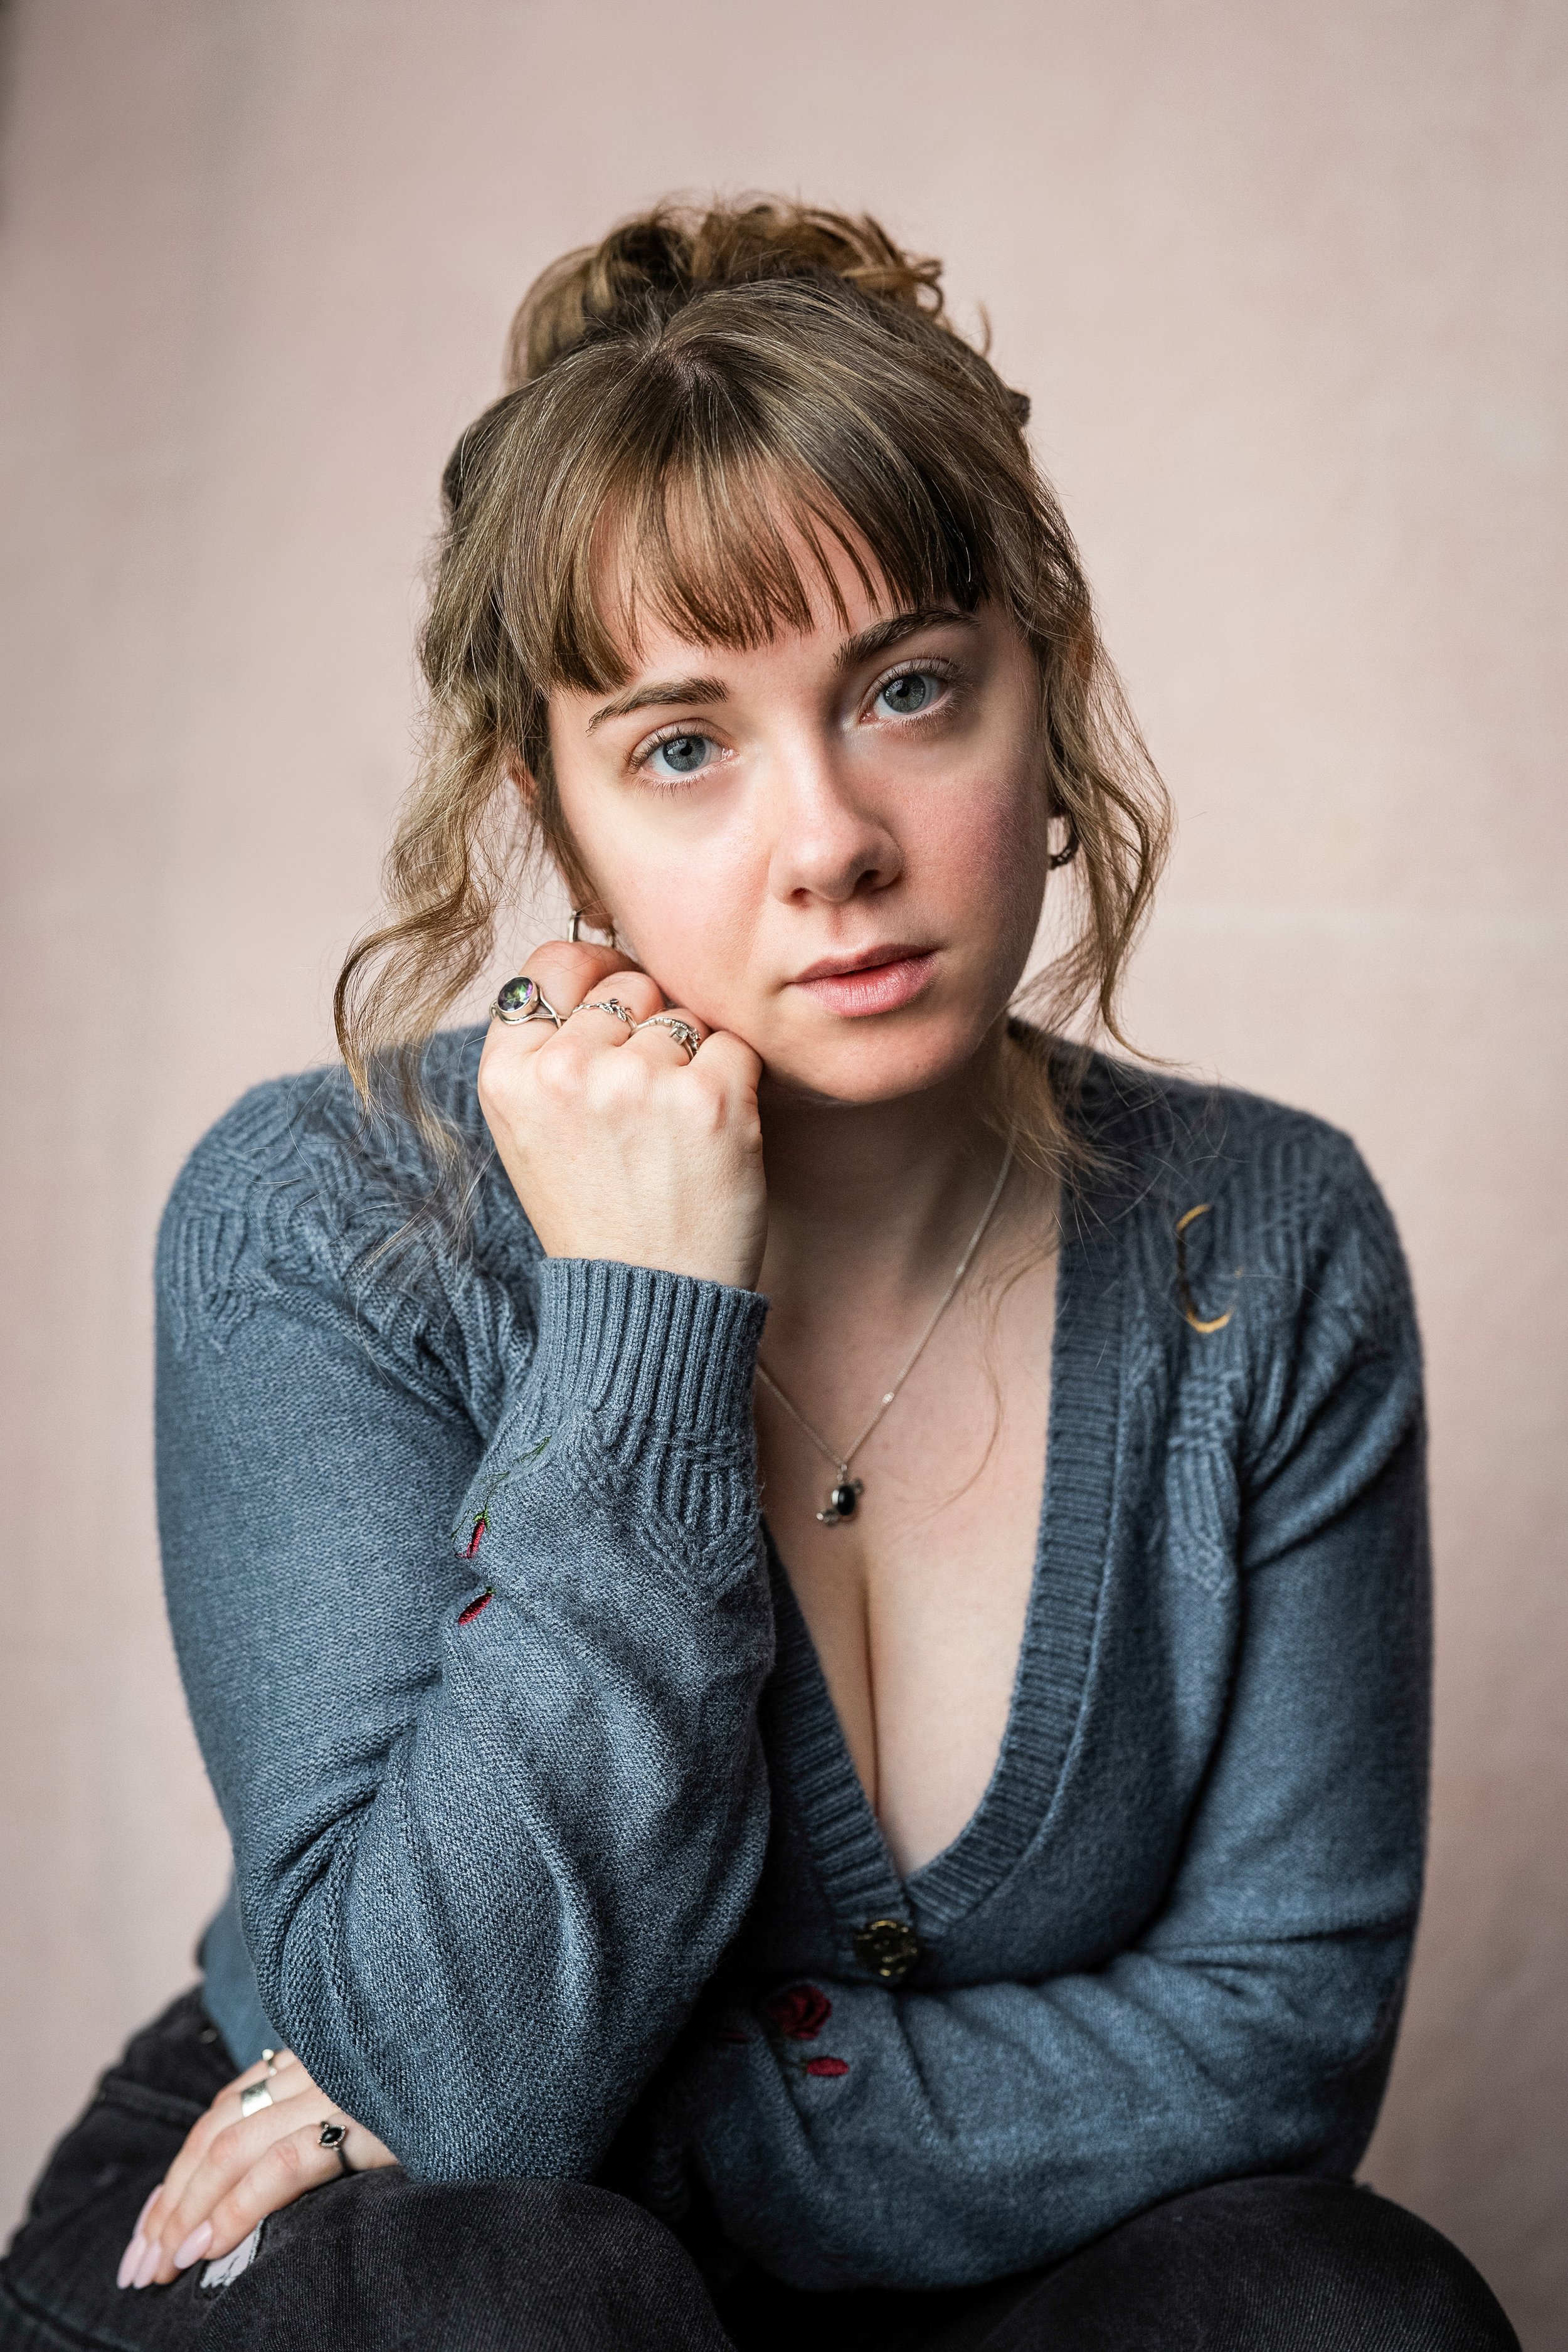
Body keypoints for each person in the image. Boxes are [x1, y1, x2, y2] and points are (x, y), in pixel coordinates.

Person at [1, 199, 1519, 2352]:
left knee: (1333, 2302)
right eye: (685, 745)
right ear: (553, 804)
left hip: (947, 2273)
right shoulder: (329, 1213)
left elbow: (1276, 2044)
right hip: (374, 2271)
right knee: (516, 2291)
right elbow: (455, 2088)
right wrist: (637, 1314)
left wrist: (679, 2122)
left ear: (1044, 699)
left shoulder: (1260, 1243)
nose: (828, 840)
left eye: (908, 689)